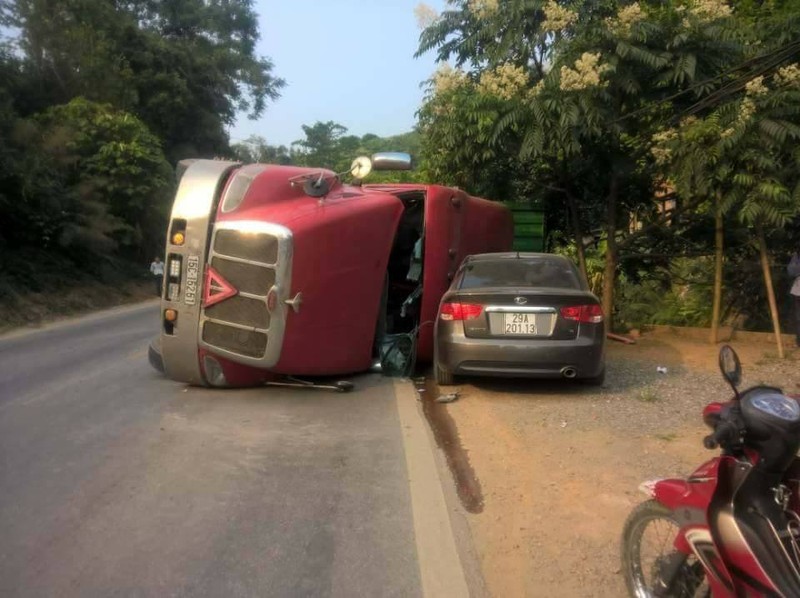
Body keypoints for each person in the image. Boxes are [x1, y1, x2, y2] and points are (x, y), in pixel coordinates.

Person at [789, 247, 800, 348]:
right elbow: (791, 271)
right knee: (798, 318)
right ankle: (799, 342)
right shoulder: (797, 255)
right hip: (798, 291)